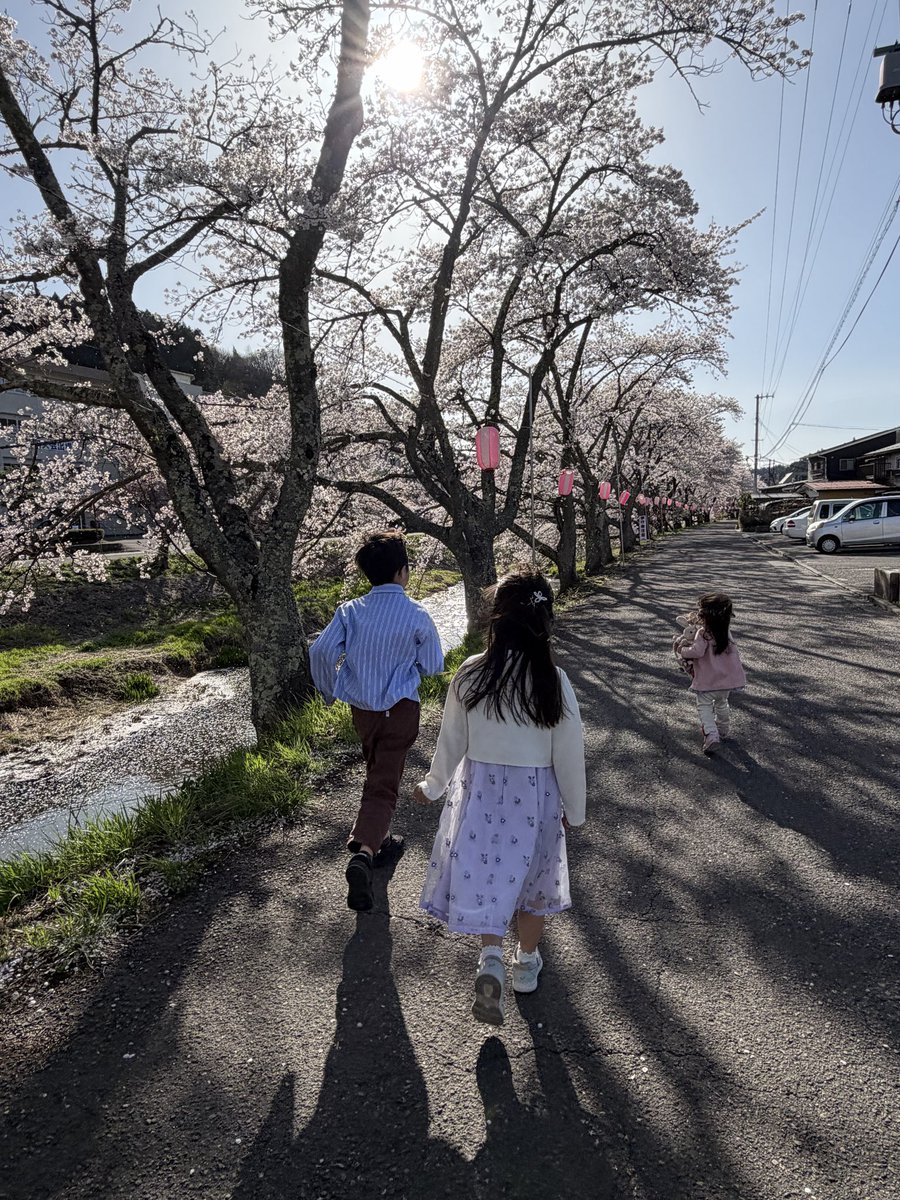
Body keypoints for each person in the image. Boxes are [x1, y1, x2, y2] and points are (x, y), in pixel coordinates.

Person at [413, 571, 586, 1027]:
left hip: (482, 796)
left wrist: (433, 785)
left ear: (497, 617)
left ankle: (490, 958)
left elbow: (451, 739)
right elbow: (569, 752)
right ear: (545, 621)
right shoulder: (552, 679)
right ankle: (526, 963)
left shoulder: (472, 672)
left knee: (487, 877)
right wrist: (575, 810)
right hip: (535, 801)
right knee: (532, 888)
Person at [311, 530, 444, 913]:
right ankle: (365, 852)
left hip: (363, 712)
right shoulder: (416, 613)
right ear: (402, 571)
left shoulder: (349, 611)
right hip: (400, 709)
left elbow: (319, 651)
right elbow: (434, 665)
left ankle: (379, 841)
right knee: (384, 783)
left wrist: (330, 691)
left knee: (377, 773)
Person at [674, 592, 747, 756]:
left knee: (704, 706)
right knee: (722, 703)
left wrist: (682, 650)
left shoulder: (703, 633)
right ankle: (723, 728)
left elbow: (697, 652)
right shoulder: (726, 633)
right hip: (726, 681)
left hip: (707, 681)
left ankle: (711, 734)